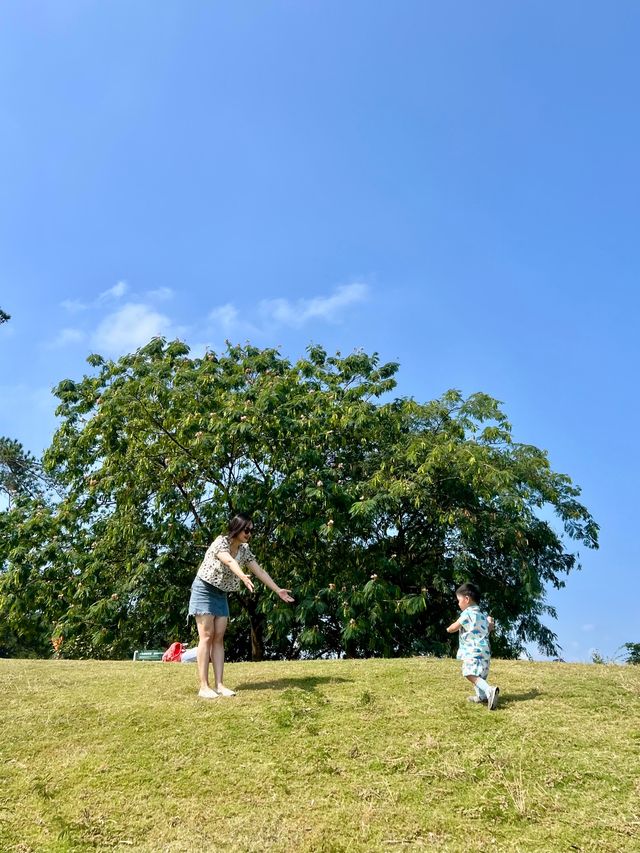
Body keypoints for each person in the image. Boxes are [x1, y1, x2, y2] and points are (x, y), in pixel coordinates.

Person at [188, 513, 294, 699]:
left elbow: (259, 570)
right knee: (206, 636)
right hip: (204, 589)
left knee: (218, 637)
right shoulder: (220, 542)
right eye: (246, 529)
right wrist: (242, 576)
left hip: (221, 593)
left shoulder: (244, 550)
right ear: (236, 528)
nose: (249, 533)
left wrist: (277, 590)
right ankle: (204, 686)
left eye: (251, 530)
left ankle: (220, 685)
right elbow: (229, 561)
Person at [446, 582, 499, 711]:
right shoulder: (481, 615)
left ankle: (489, 690)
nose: (458, 604)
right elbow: (489, 628)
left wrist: (448, 629)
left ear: (467, 599)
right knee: (479, 676)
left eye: (459, 600)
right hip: (485, 651)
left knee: (469, 674)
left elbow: (455, 627)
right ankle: (482, 697)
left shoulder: (467, 614)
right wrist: (491, 624)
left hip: (472, 651)